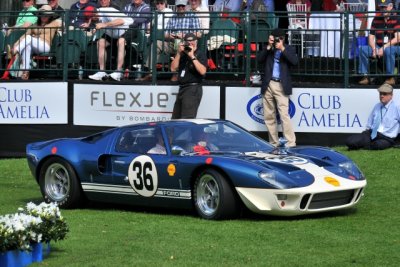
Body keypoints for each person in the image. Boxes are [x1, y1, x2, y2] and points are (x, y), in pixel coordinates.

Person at [257, 28, 298, 147]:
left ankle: (290, 143)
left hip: (281, 85)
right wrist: (268, 47)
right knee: (269, 116)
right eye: (274, 38)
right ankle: (273, 143)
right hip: (268, 84)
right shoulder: (269, 49)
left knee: (284, 115)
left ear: (282, 39)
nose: (275, 40)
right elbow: (259, 60)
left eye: (278, 38)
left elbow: (294, 61)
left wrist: (282, 48)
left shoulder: (289, 48)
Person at [9, 5, 62, 80]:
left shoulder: (55, 23)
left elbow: (66, 25)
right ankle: (25, 72)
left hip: (45, 46)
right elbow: (24, 35)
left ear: (50, 16)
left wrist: (65, 28)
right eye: (42, 14)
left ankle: (15, 50)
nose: (44, 16)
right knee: (27, 46)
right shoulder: (35, 25)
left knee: (28, 38)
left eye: (46, 15)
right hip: (35, 45)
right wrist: (16, 44)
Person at [86, 3, 134, 81]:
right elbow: (96, 23)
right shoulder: (94, 18)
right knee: (100, 42)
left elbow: (120, 21)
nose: (91, 19)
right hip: (111, 33)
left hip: (126, 30)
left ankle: (118, 71)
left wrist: (104, 24)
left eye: (91, 17)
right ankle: (102, 71)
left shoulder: (107, 11)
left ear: (95, 14)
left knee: (121, 42)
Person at [358, 0, 400, 86]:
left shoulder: (397, 18)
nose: (383, 9)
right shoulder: (376, 19)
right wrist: (374, 49)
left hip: (394, 47)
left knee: (389, 50)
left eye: (385, 7)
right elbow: (371, 37)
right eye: (381, 7)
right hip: (379, 46)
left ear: (391, 7)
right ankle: (366, 76)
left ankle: (390, 77)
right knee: (362, 49)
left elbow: (397, 39)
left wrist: (383, 48)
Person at [346, 83, 400, 150]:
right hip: (372, 133)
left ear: (391, 95)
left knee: (378, 145)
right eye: (380, 94)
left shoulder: (397, 107)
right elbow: (370, 122)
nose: (382, 96)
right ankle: (366, 144)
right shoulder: (377, 106)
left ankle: (364, 145)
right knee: (350, 141)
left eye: (385, 94)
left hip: (386, 137)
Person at [170, 32, 207, 119]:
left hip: (192, 88)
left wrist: (192, 56)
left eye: (192, 41)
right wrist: (178, 53)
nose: (190, 43)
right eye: (188, 41)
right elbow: (173, 68)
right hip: (182, 88)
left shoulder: (200, 54)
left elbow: (203, 71)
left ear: (196, 42)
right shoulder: (182, 54)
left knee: (187, 119)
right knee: (175, 119)